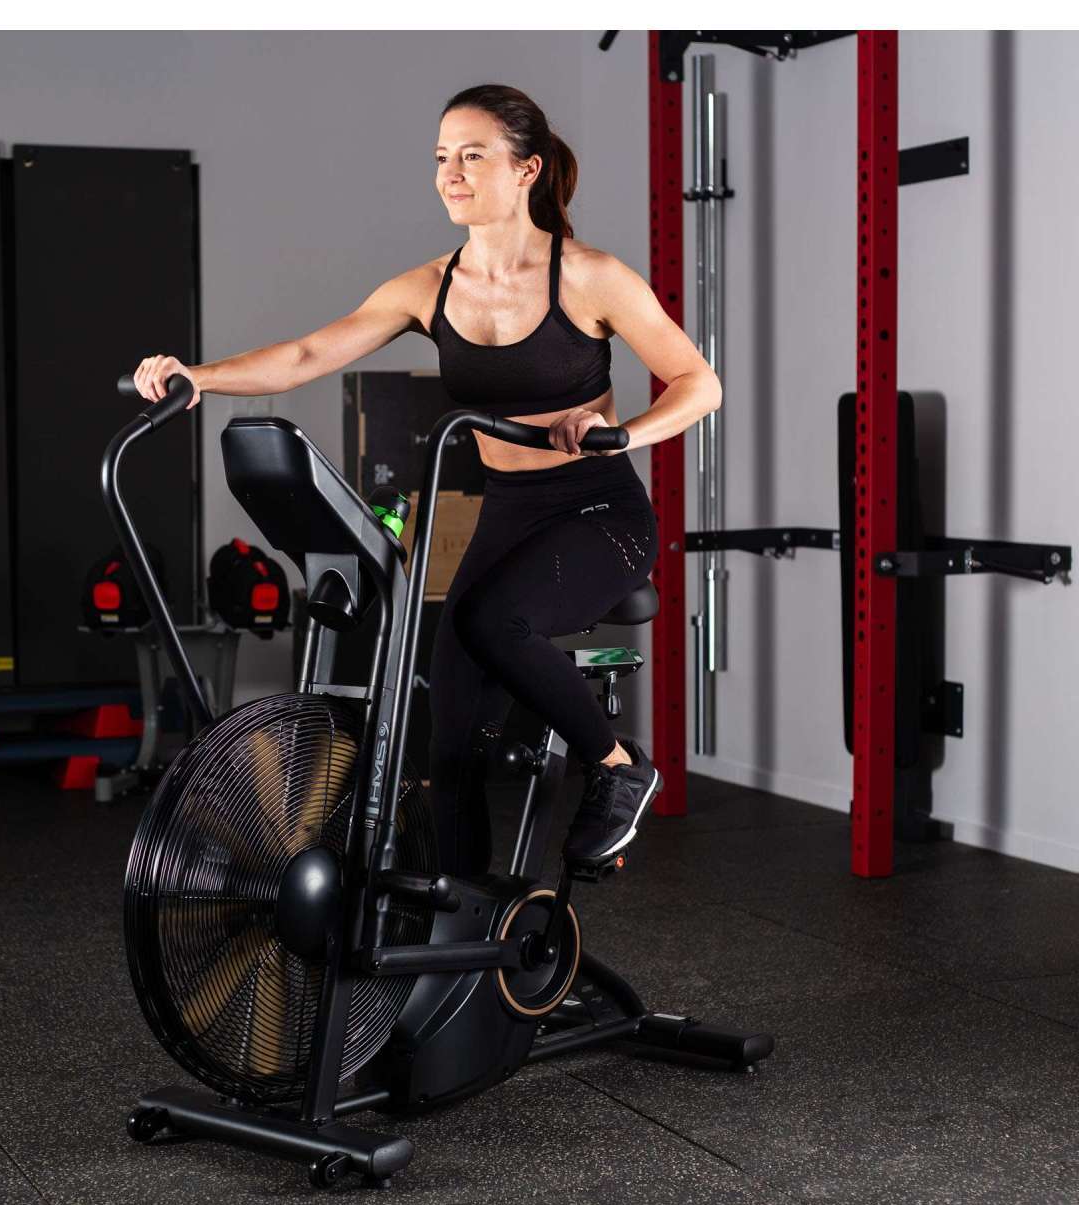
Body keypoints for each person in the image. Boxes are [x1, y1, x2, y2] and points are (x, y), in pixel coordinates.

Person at [130, 83, 721, 878]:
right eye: (443, 157)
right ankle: (459, 920)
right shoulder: (428, 288)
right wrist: (197, 376)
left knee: (494, 622)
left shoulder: (588, 277)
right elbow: (307, 354)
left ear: (527, 170)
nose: (452, 173)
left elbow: (698, 383)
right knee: (448, 738)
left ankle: (618, 766)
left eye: (473, 155)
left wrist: (621, 433)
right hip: (507, 515)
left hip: (598, 512)